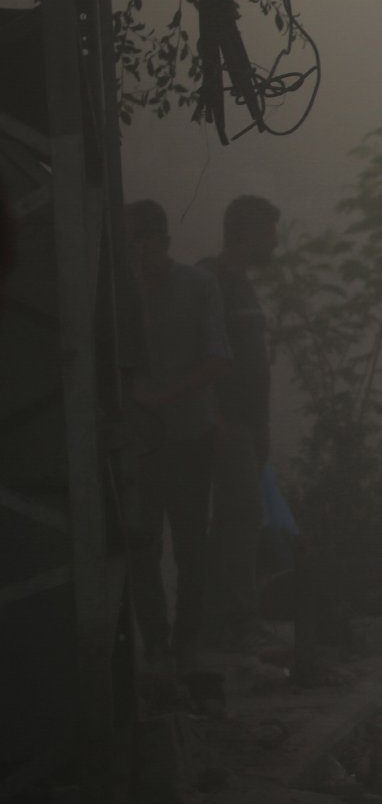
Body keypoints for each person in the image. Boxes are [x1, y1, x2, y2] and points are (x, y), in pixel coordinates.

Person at [124, 199, 231, 670]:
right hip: (140, 442)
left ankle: (185, 642)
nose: (136, 255)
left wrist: (164, 396)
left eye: (142, 244)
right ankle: (157, 642)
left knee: (189, 543)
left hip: (188, 435)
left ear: (163, 243)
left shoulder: (197, 285)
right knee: (143, 543)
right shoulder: (117, 293)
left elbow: (219, 358)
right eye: (129, 246)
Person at [198, 195, 280, 646]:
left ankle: (222, 618)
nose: (274, 245)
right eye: (269, 235)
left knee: (239, 518)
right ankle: (233, 620)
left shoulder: (241, 282)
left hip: (245, 425)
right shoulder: (210, 279)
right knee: (239, 517)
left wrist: (262, 427)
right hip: (226, 425)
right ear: (247, 234)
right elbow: (199, 351)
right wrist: (217, 417)